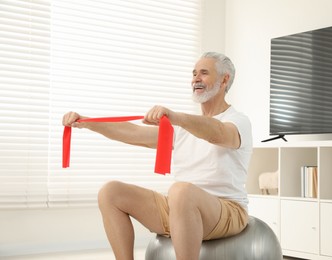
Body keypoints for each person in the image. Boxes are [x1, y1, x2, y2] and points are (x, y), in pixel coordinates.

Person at [62, 52, 253, 260]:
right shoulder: (183, 127)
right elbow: (134, 134)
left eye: (204, 73)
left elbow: (217, 133)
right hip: (180, 208)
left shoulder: (237, 121)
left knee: (181, 191)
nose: (196, 78)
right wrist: (87, 122)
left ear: (224, 80)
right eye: (194, 73)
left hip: (225, 210)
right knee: (110, 192)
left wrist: (175, 117)